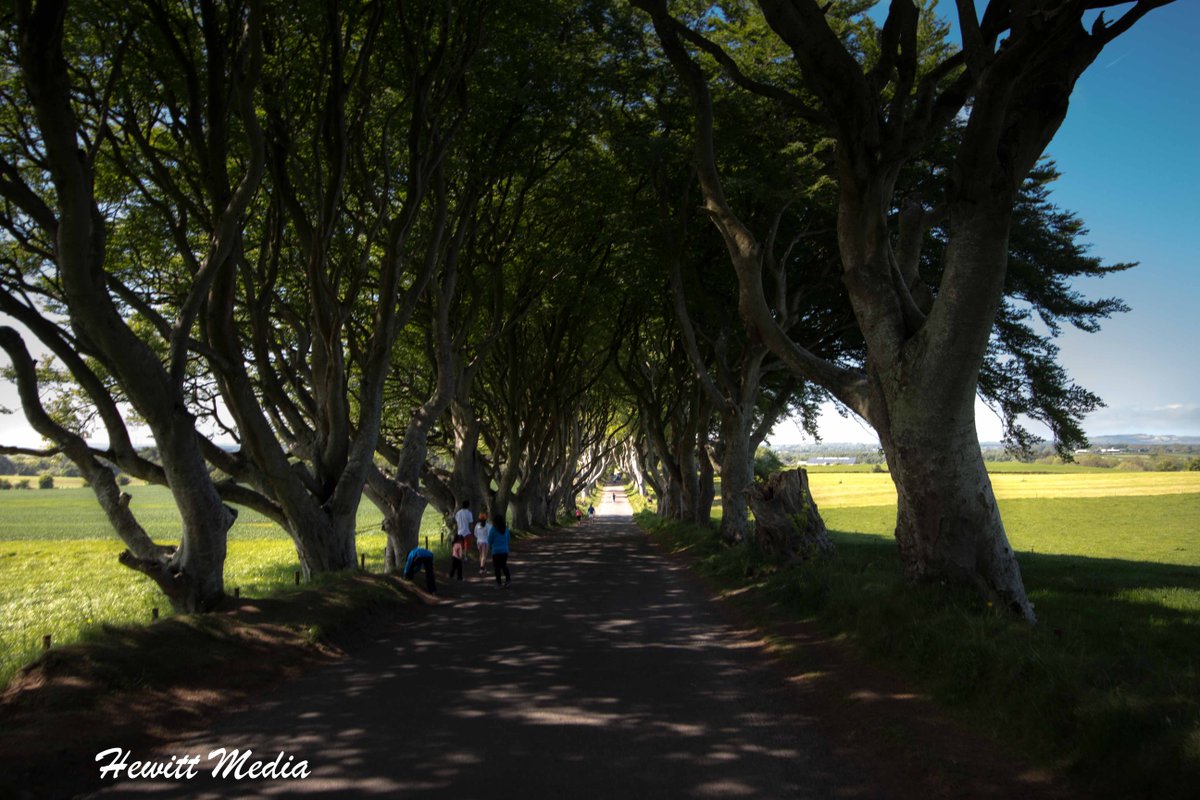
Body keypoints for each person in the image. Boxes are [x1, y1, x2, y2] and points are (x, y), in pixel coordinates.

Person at [487, 514, 511, 588]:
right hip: (504, 551)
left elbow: (489, 540)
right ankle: (508, 580)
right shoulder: (506, 529)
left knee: (497, 567)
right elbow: (508, 539)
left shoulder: (493, 529)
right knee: (504, 566)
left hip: (496, 551)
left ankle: (499, 584)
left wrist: (491, 545)